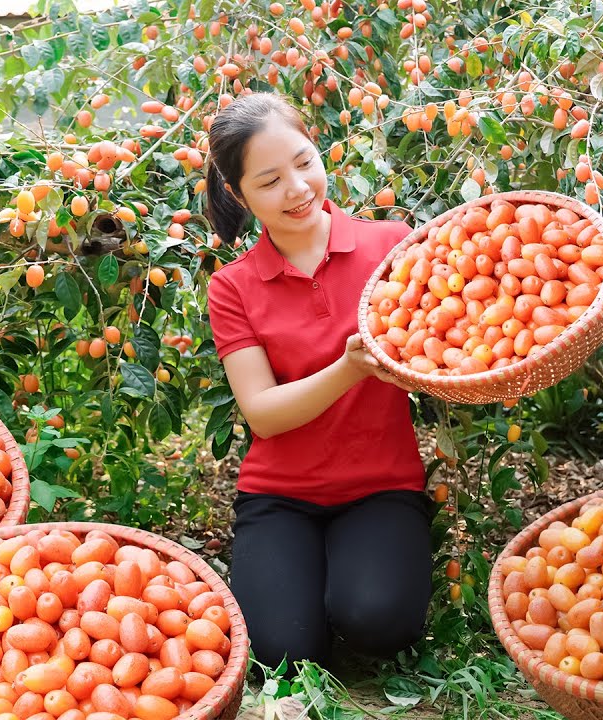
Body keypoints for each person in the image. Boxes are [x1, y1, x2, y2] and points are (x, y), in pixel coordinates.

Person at [203, 91, 436, 672]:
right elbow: (262, 412)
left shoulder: (392, 246)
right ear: (238, 194)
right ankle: (308, 591)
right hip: (280, 496)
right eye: (270, 180)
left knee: (380, 623)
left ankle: (352, 586)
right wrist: (350, 367)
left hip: (382, 485)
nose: (298, 189)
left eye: (304, 163)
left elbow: (446, 343)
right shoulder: (233, 287)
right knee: (282, 654)